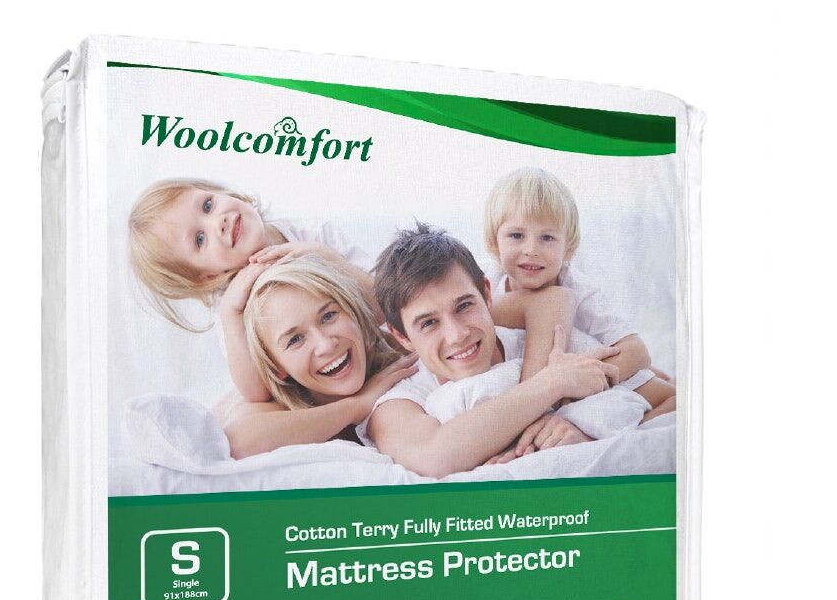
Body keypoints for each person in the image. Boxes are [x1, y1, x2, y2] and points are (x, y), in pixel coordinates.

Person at [362, 225, 621, 478]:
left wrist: (582, 433)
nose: (457, 335)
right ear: (402, 336)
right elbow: (433, 457)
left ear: (487, 295)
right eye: (429, 323)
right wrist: (551, 384)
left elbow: (644, 397)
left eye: (464, 306)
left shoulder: (542, 341)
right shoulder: (399, 400)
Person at [129, 178, 379, 403]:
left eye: (207, 205)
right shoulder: (231, 301)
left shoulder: (312, 234)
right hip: (314, 390)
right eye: (200, 239)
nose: (218, 222)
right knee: (243, 416)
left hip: (366, 355)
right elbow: (258, 393)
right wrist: (231, 315)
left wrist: (328, 257)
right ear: (207, 276)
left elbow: (383, 308)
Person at [483, 167, 675, 420]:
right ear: (494, 243)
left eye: (547, 238)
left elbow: (637, 350)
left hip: (581, 363)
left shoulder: (579, 290)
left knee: (663, 393)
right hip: (540, 370)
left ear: (569, 247)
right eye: (517, 235)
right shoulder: (487, 282)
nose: (531, 249)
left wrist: (577, 384)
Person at [217, 255, 416, 459]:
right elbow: (236, 443)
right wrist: (357, 405)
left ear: (353, 311)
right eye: (295, 339)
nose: (326, 345)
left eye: (328, 316)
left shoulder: (400, 354)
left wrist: (323, 253)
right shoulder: (275, 411)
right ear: (276, 367)